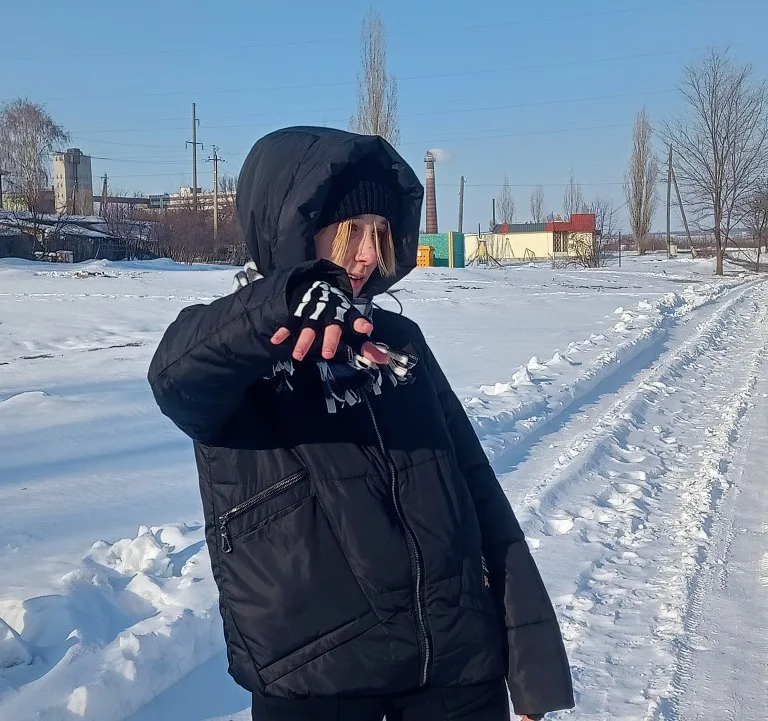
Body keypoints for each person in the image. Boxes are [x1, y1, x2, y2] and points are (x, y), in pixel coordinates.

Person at [148, 126, 574, 721]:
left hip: (457, 669)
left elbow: (477, 492)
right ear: (292, 229)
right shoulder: (245, 352)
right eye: (351, 231)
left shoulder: (397, 340)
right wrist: (286, 301)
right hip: (322, 681)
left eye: (380, 231)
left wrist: (531, 661)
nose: (371, 254)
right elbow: (175, 374)